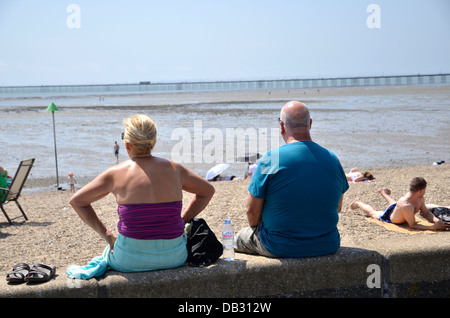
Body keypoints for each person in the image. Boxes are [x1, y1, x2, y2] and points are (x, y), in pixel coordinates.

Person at [67, 114, 215, 279]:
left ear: (127, 144)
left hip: (129, 261)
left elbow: (77, 201)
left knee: (107, 253)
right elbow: (207, 191)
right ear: (154, 142)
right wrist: (183, 219)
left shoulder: (115, 173)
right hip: (175, 257)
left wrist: (107, 235)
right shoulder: (175, 170)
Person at [235, 101, 349, 258]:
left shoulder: (271, 158)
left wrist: (258, 227)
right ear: (310, 124)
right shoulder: (332, 158)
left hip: (279, 246)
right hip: (328, 243)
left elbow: (251, 211)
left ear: (281, 126)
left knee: (239, 237)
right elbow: (337, 207)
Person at [350, 177, 450, 231]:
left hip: (399, 209)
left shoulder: (419, 198)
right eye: (425, 189)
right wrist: (433, 227)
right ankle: (358, 203)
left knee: (394, 204)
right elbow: (413, 225)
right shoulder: (406, 204)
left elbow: (426, 213)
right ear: (421, 190)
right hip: (390, 217)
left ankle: (382, 192)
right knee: (373, 213)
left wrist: (440, 222)